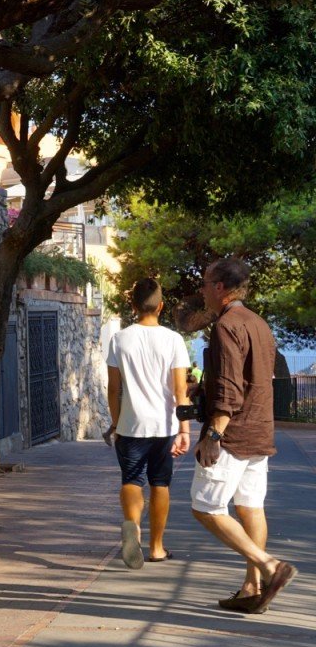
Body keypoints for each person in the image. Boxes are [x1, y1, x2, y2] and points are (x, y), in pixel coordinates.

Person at [191, 258, 297, 613]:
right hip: (260, 430)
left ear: (220, 287)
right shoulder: (259, 323)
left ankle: (268, 566)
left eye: (206, 283)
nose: (203, 290)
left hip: (233, 433)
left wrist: (213, 435)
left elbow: (229, 388)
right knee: (250, 506)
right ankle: (252, 588)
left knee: (205, 507)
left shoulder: (226, 325)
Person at [105, 278, 192, 569]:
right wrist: (185, 430)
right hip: (165, 425)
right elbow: (181, 391)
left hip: (131, 425)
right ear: (161, 306)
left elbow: (113, 389)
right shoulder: (174, 340)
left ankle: (133, 527)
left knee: (131, 479)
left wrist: (116, 424)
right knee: (160, 483)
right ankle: (156, 547)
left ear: (133, 305)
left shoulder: (119, 339)